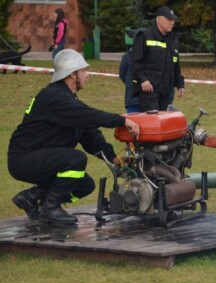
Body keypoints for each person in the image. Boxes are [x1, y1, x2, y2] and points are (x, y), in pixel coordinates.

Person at [8, 49, 140, 224]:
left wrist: (114, 158)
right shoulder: (54, 96)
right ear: (72, 75)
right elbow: (89, 116)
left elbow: (89, 132)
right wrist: (122, 121)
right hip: (24, 158)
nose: (87, 75)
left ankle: (31, 198)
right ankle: (50, 209)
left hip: (39, 157)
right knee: (75, 159)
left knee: (84, 185)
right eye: (84, 71)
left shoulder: (68, 100)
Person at [131, 6, 185, 112]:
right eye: (169, 19)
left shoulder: (173, 39)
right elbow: (135, 62)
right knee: (152, 123)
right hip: (150, 90)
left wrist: (180, 84)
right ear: (159, 19)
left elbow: (175, 63)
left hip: (166, 90)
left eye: (173, 20)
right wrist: (143, 80)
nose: (172, 22)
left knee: (164, 123)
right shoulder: (144, 36)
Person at [119, 48, 140, 113]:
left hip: (149, 100)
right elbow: (122, 74)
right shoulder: (127, 57)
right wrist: (131, 83)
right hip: (133, 99)